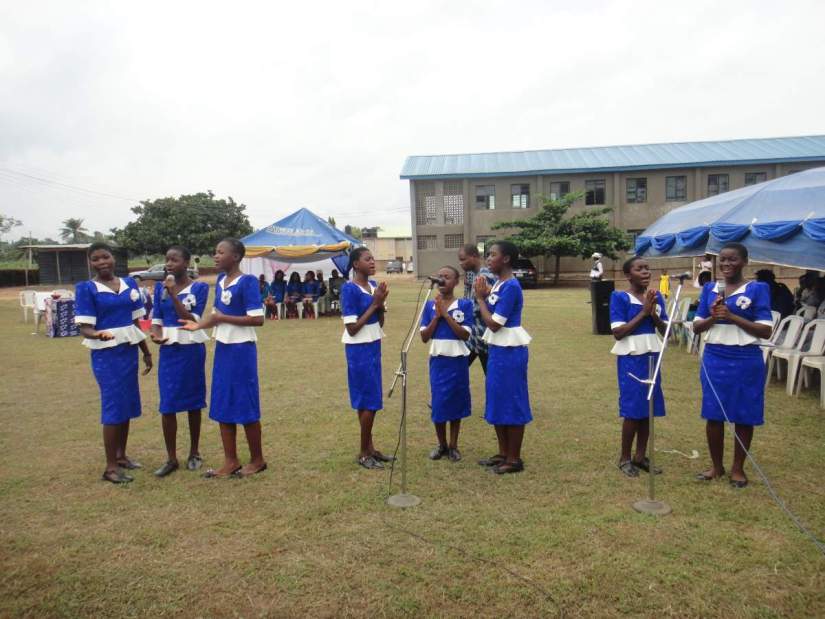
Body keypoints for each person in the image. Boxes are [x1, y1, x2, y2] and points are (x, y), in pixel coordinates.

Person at [180, 238, 267, 478]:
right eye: (215, 252)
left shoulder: (247, 282)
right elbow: (216, 314)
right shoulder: (220, 281)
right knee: (223, 400)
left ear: (236, 256)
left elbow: (257, 319)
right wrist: (197, 325)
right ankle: (231, 461)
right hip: (224, 348)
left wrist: (222, 319)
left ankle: (257, 459)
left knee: (245, 402)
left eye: (221, 252)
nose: (215, 256)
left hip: (242, 350)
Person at [693, 242, 773, 488]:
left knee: (744, 414)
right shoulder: (710, 288)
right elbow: (696, 326)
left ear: (745, 262)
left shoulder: (758, 288)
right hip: (715, 356)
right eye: (723, 260)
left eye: (733, 259)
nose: (726, 264)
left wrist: (732, 317)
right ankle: (716, 466)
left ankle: (738, 468)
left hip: (746, 359)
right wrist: (713, 316)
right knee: (713, 413)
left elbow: (766, 330)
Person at [74, 242, 153, 484]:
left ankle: (121, 456)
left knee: (126, 404)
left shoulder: (129, 284)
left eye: (105, 257)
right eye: (96, 259)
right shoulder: (86, 288)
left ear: (113, 257)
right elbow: (85, 327)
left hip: (128, 351)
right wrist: (98, 334)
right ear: (90, 262)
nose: (102, 262)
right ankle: (110, 468)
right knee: (113, 406)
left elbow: (136, 323)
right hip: (106, 355)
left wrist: (146, 352)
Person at [473, 241, 532, 474]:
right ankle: (503, 452)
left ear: (506, 259)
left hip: (510, 350)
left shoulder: (511, 286)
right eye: (487, 255)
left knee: (512, 400)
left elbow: (495, 323)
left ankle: (514, 459)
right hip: (498, 350)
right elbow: (494, 310)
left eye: (493, 254)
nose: (488, 258)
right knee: (497, 399)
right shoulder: (498, 283)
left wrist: (480, 300)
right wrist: (487, 296)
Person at [149, 246, 209, 477]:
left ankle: (194, 452)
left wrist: (173, 293)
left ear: (186, 263)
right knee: (168, 403)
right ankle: (171, 457)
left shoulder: (200, 287)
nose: (169, 264)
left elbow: (191, 319)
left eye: (174, 260)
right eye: (167, 260)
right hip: (169, 350)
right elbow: (156, 318)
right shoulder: (159, 288)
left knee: (194, 402)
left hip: (191, 349)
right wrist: (155, 334)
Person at [609, 256, 669, 477]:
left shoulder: (656, 298)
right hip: (631, 357)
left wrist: (653, 314)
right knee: (633, 410)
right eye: (639, 269)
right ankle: (625, 457)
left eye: (647, 268)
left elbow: (667, 332)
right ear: (628, 275)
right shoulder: (620, 297)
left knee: (648, 408)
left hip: (652, 355)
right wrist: (644, 312)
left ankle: (640, 456)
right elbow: (618, 332)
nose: (645, 272)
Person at [340, 247, 393, 469]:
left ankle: (370, 448)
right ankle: (363, 452)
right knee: (368, 400)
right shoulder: (349, 289)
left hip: (373, 344)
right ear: (355, 264)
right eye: (367, 259)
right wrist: (374, 303)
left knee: (368, 400)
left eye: (373, 259)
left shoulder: (372, 287)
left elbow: (379, 323)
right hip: (358, 348)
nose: (373, 262)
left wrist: (380, 303)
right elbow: (352, 328)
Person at [420, 266, 473, 462]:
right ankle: (441, 444)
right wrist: (437, 315)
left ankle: (453, 445)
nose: (442, 280)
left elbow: (465, 335)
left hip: (458, 361)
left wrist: (447, 315)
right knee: (439, 402)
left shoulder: (464, 305)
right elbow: (424, 337)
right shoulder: (429, 306)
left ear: (456, 281)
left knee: (456, 400)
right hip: (439, 361)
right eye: (440, 276)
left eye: (447, 277)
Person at [458, 243, 496, 373]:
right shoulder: (472, 274)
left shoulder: (484, 276)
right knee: (457, 371)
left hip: (485, 338)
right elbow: (467, 300)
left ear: (474, 256)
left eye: (463, 259)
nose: (460, 263)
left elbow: (489, 306)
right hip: (473, 338)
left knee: (491, 379)